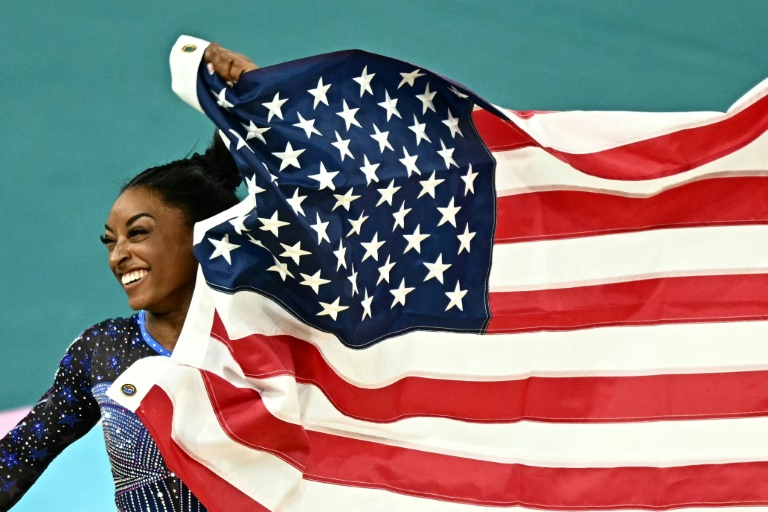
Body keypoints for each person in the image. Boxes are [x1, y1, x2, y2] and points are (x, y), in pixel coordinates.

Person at [0, 44, 258, 512]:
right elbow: (13, 460)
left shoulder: (268, 336)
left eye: (138, 233)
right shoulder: (104, 352)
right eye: (110, 241)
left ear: (202, 234)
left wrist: (263, 98)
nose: (119, 255)